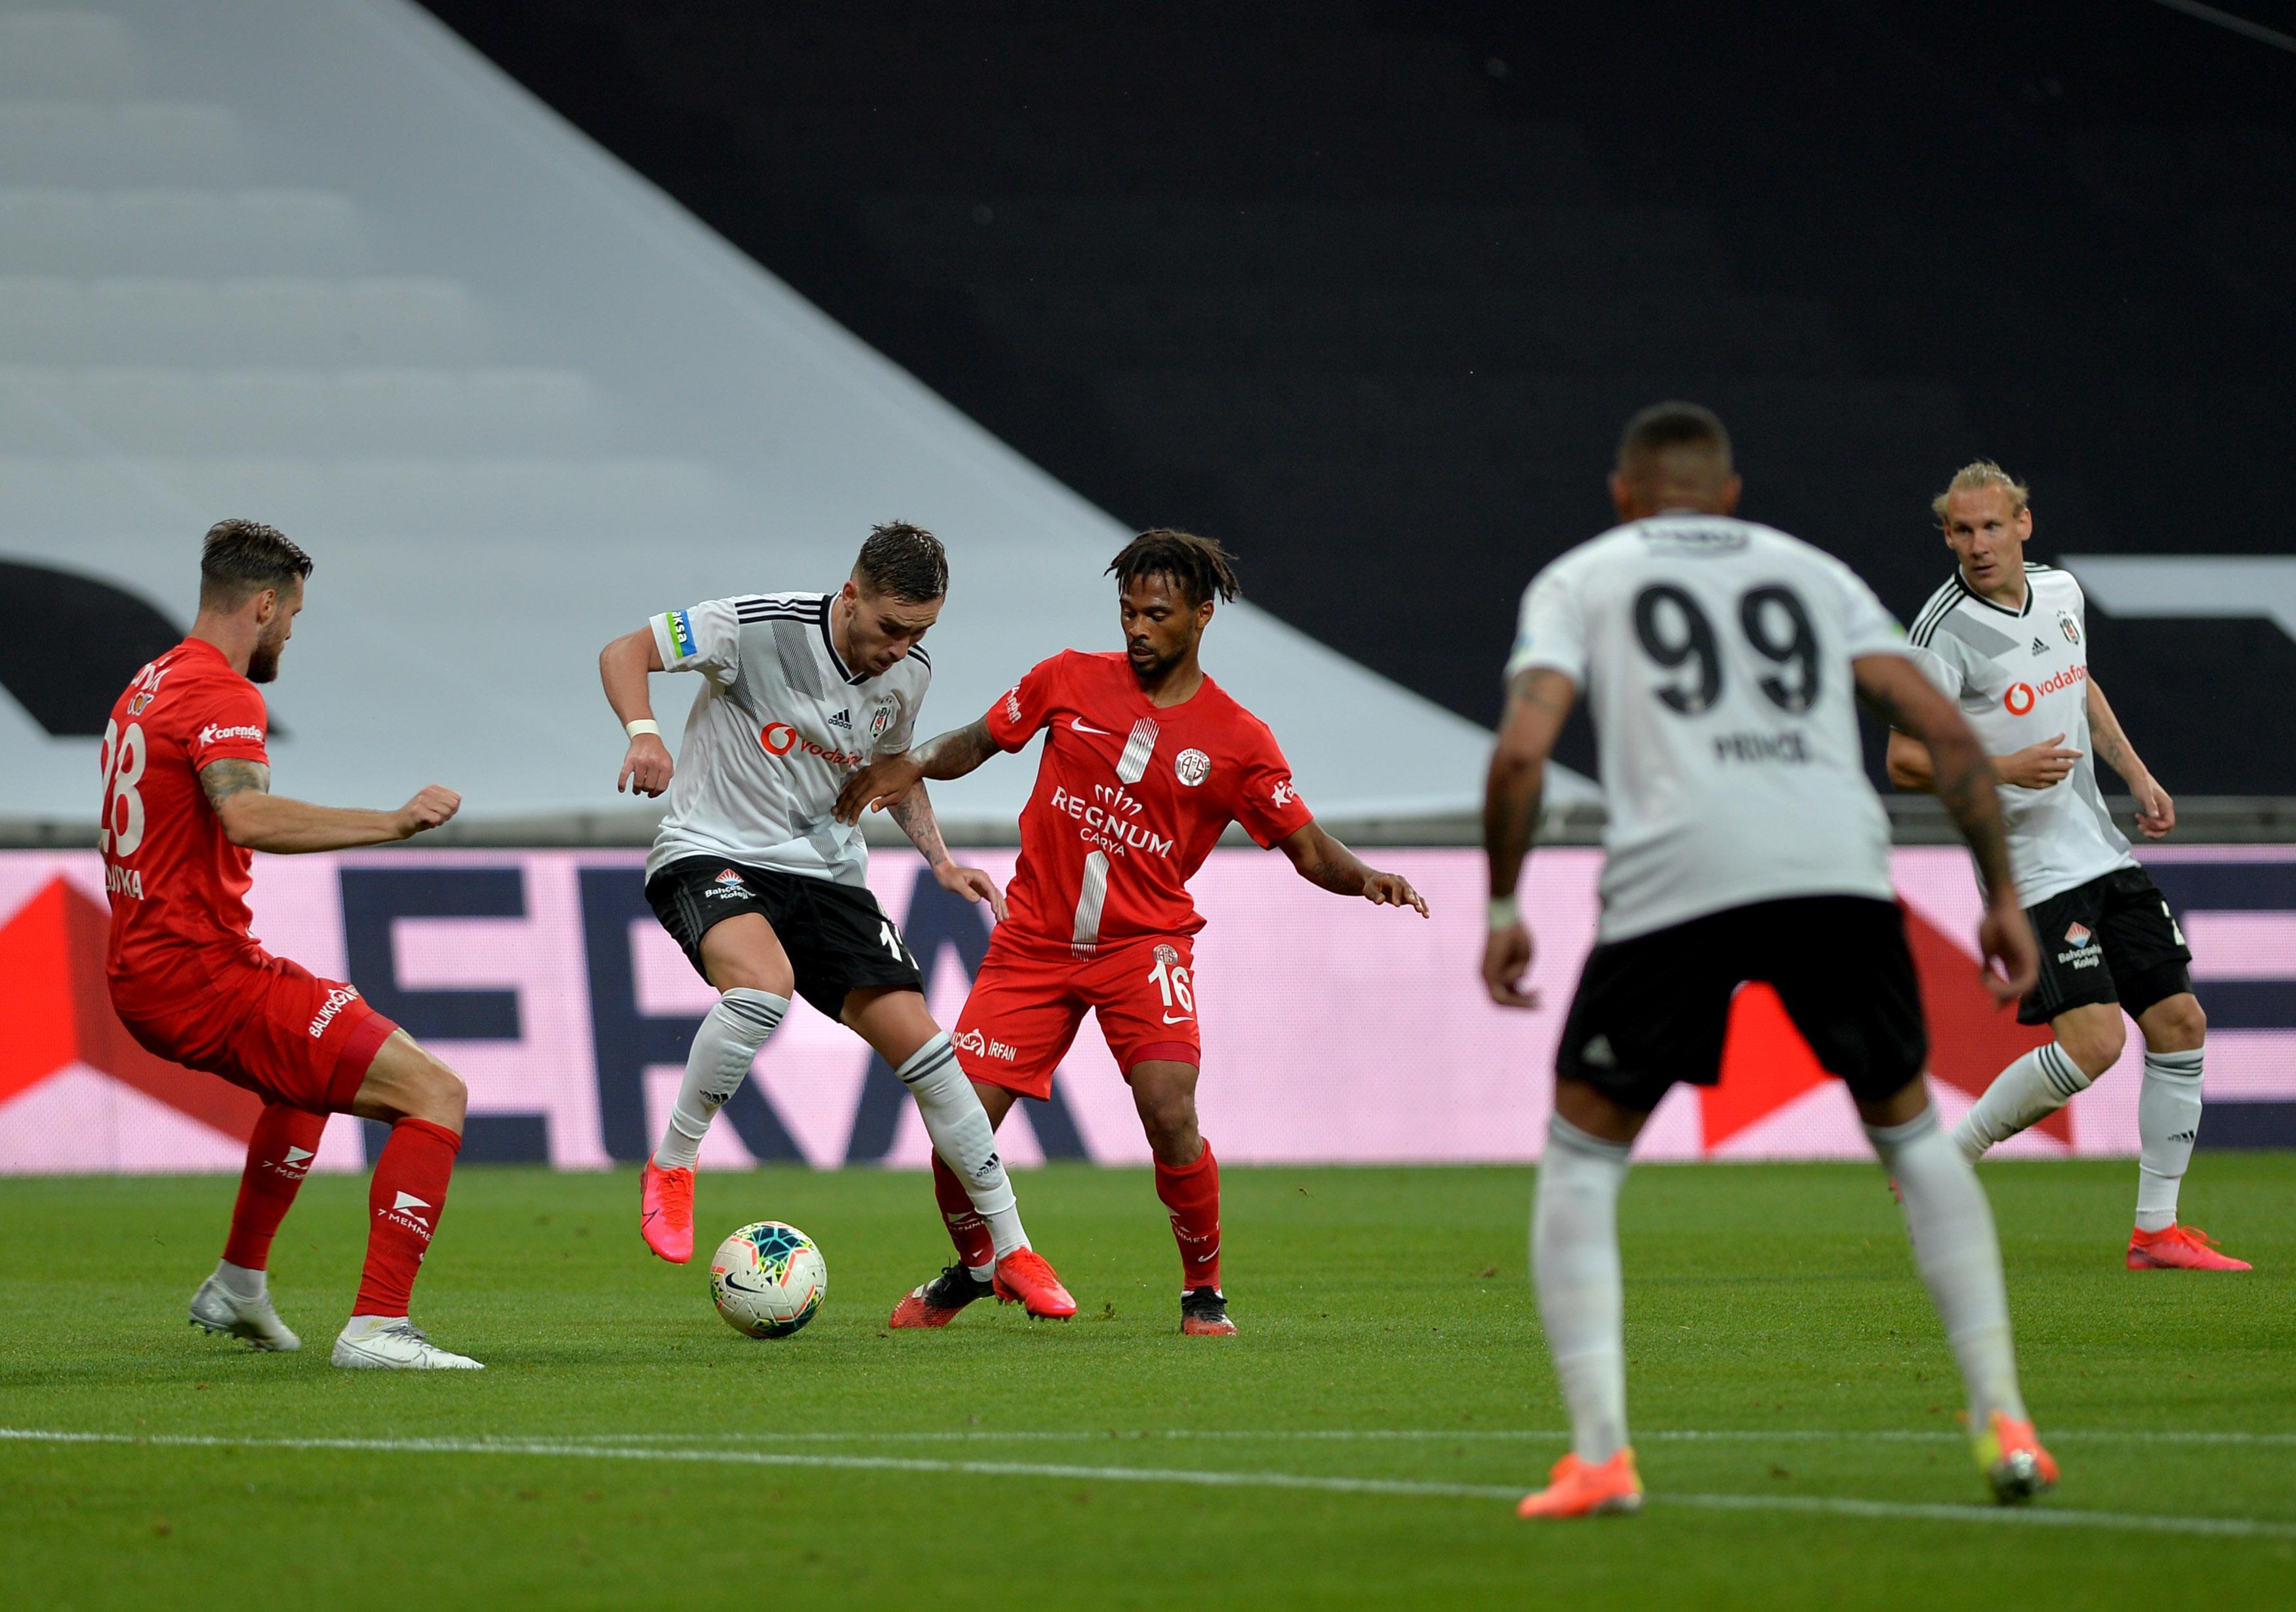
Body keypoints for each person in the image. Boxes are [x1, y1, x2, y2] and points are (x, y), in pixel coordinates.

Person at [1483, 403, 2055, 1517]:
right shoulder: (1816, 572)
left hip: (1674, 881)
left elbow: (1519, 756)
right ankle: (2004, 1411)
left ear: (1623, 496)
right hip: (1834, 871)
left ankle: (1602, 1452)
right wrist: (1997, 893)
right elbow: (1946, 734)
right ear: (1732, 496)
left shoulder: (1579, 578)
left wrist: (1504, 901)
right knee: (1913, 1134)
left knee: (1582, 1159)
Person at [838, 529, 1428, 1337]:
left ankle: (1202, 1291)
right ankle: (977, 1267)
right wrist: (915, 763)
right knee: (957, 1123)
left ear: (1201, 615)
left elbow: (1307, 848)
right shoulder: (1067, 679)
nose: (1138, 629)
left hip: (1141, 947)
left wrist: (1365, 878)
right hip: (1033, 941)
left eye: (1157, 614)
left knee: (1167, 1109)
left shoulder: (1237, 740)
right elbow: (977, 740)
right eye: (1127, 612)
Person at [600, 520, 1074, 1318]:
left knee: (928, 1049)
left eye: (919, 631)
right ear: (849, 595)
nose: (900, 646)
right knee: (763, 988)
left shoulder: (908, 674)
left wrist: (940, 859)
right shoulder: (753, 627)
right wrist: (644, 734)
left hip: (826, 877)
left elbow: (896, 771)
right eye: (891, 626)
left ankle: (1012, 1247)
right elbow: (625, 651)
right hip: (711, 849)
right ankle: (673, 1167)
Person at [102, 519, 480, 1369]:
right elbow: (245, 814)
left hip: (149, 965)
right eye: (294, 618)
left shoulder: (147, 684)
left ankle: (238, 1283)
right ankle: (378, 1328)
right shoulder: (224, 692)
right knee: (435, 1093)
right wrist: (391, 821)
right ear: (265, 604)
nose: (290, 636)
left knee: (306, 1079)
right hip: (196, 971)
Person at [1886, 463, 2246, 1270]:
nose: (1976, 545)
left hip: (2097, 847)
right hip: (2030, 869)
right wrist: (1999, 768)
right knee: (2092, 1043)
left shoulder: (2059, 593)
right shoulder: (1941, 630)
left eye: (1990, 527)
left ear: (2023, 524)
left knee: (2178, 1023)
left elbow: (2076, 682)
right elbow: (1904, 758)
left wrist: (2136, 773)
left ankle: (2155, 1230)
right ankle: (1945, 1160)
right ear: (1945, 536)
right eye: (1960, 531)